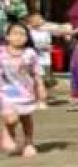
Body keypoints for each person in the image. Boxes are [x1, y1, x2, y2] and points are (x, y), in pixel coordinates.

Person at [0, 17, 45, 155]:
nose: (18, 37)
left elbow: (36, 74)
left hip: (25, 91)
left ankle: (29, 142)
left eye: (22, 34)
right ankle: (7, 133)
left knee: (26, 118)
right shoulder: (1, 53)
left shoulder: (30, 54)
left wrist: (41, 90)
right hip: (5, 91)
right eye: (14, 33)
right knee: (10, 117)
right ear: (7, 36)